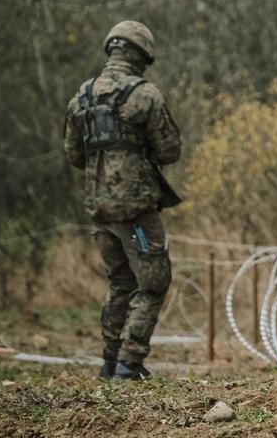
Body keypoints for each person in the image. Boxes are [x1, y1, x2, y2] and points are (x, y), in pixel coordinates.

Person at [63, 21, 182, 381]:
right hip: (136, 215)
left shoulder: (81, 98)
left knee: (120, 283)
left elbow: (74, 155)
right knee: (154, 282)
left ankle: (109, 362)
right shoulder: (145, 95)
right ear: (142, 55)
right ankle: (129, 363)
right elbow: (170, 150)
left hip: (100, 213)